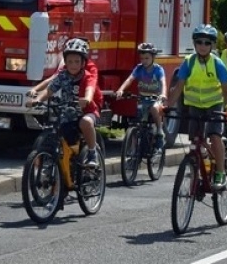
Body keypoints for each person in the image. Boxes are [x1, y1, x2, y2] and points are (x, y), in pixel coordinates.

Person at [167, 24, 227, 190]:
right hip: (195, 105)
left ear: (212, 45)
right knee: (195, 140)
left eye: (207, 43)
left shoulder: (217, 64)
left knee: (215, 136)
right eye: (199, 42)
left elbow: (226, 91)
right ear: (194, 44)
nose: (203, 46)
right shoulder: (189, 62)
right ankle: (199, 167)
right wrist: (167, 106)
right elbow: (178, 87)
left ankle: (220, 172)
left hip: (214, 105)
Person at [26, 38, 102, 171]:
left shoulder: (88, 76)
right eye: (70, 61)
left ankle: (92, 153)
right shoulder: (62, 76)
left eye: (77, 62)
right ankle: (52, 162)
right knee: (57, 130)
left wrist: (87, 99)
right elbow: (50, 89)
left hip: (86, 111)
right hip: (68, 112)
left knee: (85, 122)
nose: (73, 65)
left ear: (83, 63)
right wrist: (37, 99)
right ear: (65, 62)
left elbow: (90, 89)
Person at [115, 42, 168, 145]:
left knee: (154, 108)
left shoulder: (158, 69)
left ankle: (159, 130)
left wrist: (163, 94)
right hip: (142, 99)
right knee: (138, 120)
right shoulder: (139, 68)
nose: (144, 61)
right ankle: (137, 143)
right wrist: (121, 90)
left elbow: (163, 83)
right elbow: (130, 79)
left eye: (147, 58)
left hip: (156, 98)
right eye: (142, 58)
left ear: (153, 58)